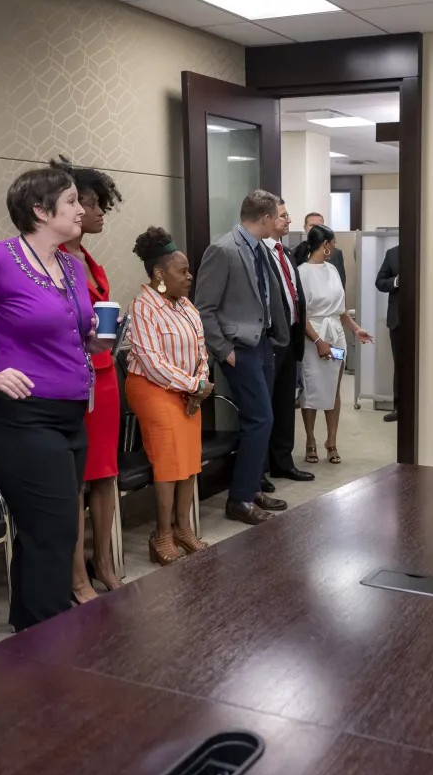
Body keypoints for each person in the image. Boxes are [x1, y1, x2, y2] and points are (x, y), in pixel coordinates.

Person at [0, 167, 111, 632]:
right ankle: (49, 638)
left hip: (71, 415)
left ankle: (31, 636)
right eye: (72, 201)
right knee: (52, 533)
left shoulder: (71, 266)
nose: (82, 209)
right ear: (39, 210)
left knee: (52, 532)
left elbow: (70, 336)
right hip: (18, 420)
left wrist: (93, 343)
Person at [50, 156, 124, 603]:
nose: (95, 213)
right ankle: (77, 576)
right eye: (88, 203)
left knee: (105, 474)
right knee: (76, 480)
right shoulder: (52, 261)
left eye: (97, 204)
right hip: (76, 379)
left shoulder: (88, 260)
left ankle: (105, 563)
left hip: (106, 375)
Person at [193, 190, 290, 526]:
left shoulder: (260, 248)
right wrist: (225, 351)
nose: (281, 220)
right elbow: (203, 308)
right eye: (278, 214)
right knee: (260, 419)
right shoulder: (223, 250)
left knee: (264, 419)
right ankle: (240, 499)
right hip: (240, 349)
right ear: (265, 217)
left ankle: (253, 486)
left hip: (263, 343)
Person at [124, 227, 212, 564]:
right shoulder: (143, 307)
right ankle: (161, 534)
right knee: (170, 462)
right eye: (183, 271)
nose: (189, 277)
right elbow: (151, 361)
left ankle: (182, 527)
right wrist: (194, 386)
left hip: (189, 390)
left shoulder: (187, 307)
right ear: (159, 274)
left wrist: (200, 383)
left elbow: (200, 350)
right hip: (152, 390)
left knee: (190, 461)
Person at [297, 224, 374, 464]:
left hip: (336, 335)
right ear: (325, 245)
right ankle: (310, 440)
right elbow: (301, 315)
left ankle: (332, 441)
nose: (335, 247)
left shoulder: (332, 270)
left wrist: (356, 328)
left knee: (333, 388)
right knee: (312, 388)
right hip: (313, 338)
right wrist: (319, 341)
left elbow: (340, 311)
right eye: (333, 243)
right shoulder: (301, 272)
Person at [262, 199, 315, 487]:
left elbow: (292, 294)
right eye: (283, 216)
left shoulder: (286, 252)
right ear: (267, 218)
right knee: (264, 408)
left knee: (284, 403)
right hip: (269, 341)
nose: (289, 220)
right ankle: (260, 471)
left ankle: (283, 462)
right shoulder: (259, 254)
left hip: (290, 338)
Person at [375, 244, 401, 423]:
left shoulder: (425, 249)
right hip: (397, 321)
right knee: (400, 367)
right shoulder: (392, 254)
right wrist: (395, 282)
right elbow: (379, 282)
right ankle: (399, 409)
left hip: (422, 320)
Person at [301, 212, 346, 287]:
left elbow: (341, 283)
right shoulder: (295, 253)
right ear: (305, 228)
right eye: (312, 225)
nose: (315, 229)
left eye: (319, 226)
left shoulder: (335, 253)